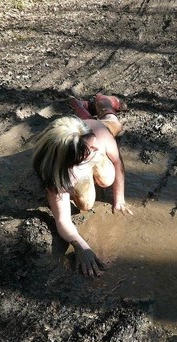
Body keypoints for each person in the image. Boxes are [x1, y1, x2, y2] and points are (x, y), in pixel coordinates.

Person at [32, 94, 133, 277]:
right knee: (85, 204)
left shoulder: (98, 136)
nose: (96, 152)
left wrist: (119, 199)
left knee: (115, 129)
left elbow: (118, 164)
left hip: (95, 127)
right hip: (74, 149)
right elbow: (62, 220)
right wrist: (81, 245)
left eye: (95, 148)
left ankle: (104, 103)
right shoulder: (55, 172)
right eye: (91, 152)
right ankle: (81, 107)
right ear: (72, 160)